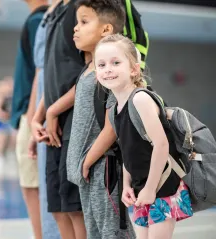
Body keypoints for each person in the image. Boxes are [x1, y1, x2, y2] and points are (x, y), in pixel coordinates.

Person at [95, 33, 193, 239]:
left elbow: (161, 145)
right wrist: (127, 185)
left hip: (163, 185)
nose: (108, 69)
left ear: (133, 69)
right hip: (142, 189)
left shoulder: (140, 99)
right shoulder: (114, 108)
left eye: (115, 62)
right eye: (101, 65)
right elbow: (127, 151)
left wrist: (150, 189)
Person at [65, 1, 136, 238]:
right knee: (97, 232)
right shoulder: (89, 70)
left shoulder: (108, 73)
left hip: (104, 169)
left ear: (106, 29)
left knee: (113, 232)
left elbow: (112, 125)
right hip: (89, 173)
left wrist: (87, 161)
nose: (75, 28)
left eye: (84, 21)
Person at [31, 0, 87, 238]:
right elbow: (52, 73)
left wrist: (54, 111)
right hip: (53, 123)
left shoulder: (83, 9)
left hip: (74, 121)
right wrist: (39, 115)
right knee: (57, 208)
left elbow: (91, 73)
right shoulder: (56, 13)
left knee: (75, 209)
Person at [10, 1, 48, 238]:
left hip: (32, 114)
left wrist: (34, 116)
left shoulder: (37, 21)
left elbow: (41, 71)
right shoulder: (38, 19)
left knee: (31, 184)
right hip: (32, 112)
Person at [28, 1, 62, 238]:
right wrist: (35, 119)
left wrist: (48, 113)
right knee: (52, 196)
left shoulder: (73, 12)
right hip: (46, 108)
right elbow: (43, 74)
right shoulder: (50, 15)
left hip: (61, 115)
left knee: (68, 205)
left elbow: (68, 74)